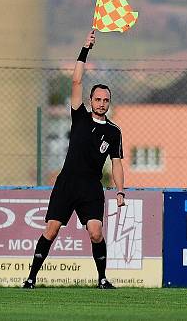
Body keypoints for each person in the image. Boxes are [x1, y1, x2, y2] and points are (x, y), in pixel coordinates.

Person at [22, 30, 125, 290]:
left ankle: (102, 279)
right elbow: (76, 81)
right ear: (90, 101)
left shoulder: (113, 131)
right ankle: (31, 277)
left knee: (96, 232)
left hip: (91, 187)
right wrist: (85, 49)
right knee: (52, 230)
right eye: (98, 99)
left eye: (106, 100)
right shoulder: (79, 117)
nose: (102, 103)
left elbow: (117, 162)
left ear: (109, 103)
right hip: (67, 183)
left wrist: (121, 190)